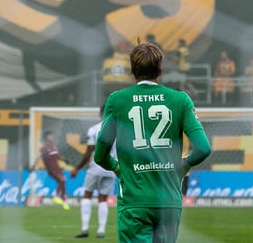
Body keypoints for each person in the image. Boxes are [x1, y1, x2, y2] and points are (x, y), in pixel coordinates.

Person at [94, 41, 211, 243]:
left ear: (132, 69)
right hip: (168, 199)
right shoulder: (181, 100)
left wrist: (117, 168)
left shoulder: (117, 100)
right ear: (160, 69)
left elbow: (100, 154)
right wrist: (182, 166)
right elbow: (203, 148)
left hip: (134, 198)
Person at [70, 106, 116, 239]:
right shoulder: (118, 130)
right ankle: (101, 231)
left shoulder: (94, 129)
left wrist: (77, 168)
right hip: (111, 168)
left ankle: (85, 229)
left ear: (100, 114)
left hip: (95, 167)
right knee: (103, 199)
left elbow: (89, 151)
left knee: (87, 195)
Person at [32, 130, 70, 210]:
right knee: (62, 180)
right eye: (50, 136)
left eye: (52, 136)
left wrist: (64, 160)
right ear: (46, 137)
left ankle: (63, 200)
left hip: (57, 168)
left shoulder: (54, 147)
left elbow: (57, 156)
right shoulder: (44, 148)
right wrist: (33, 166)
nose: (52, 137)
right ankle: (56, 196)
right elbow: (38, 157)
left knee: (63, 181)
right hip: (51, 169)